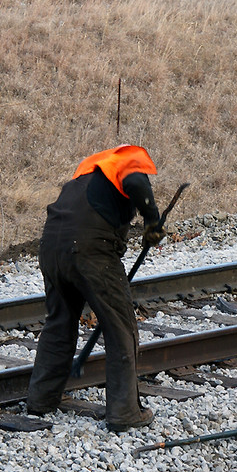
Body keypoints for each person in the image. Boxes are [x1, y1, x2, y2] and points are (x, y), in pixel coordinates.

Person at [27, 144, 166, 432]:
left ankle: (41, 400)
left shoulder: (86, 175)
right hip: (90, 249)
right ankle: (125, 413)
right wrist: (152, 220)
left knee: (59, 324)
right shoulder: (127, 165)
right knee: (120, 326)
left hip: (52, 246)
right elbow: (137, 183)